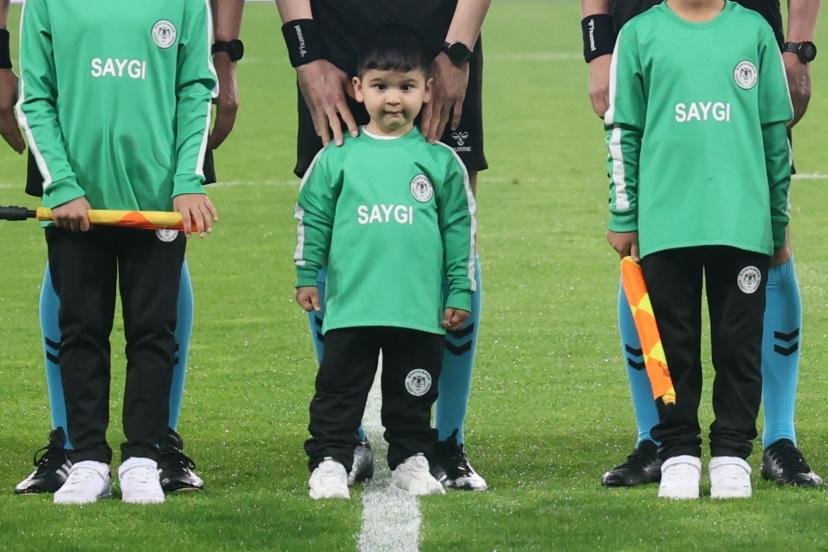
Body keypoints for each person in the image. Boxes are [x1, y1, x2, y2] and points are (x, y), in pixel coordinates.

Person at [5, 0, 245, 496]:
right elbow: (36, 98)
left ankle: (143, 458)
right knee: (80, 331)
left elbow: (195, 90)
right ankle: (86, 460)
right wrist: (61, 184)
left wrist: (186, 180)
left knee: (154, 333)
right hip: (77, 204)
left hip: (157, 206)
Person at [581, 0, 823, 488]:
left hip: (741, 211)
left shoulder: (753, 32)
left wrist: (798, 45)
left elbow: (774, 138)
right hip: (668, 213)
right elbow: (623, 133)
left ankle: (762, 442)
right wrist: (597, 44)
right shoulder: (640, 35)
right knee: (670, 330)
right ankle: (667, 445)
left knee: (740, 336)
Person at [276, 0, 491, 493]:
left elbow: (459, 224)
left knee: (448, 221)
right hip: (334, 36)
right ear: (361, 88)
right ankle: (340, 445)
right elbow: (315, 216)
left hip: (441, 34)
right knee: (337, 209)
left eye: (404, 91)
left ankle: (441, 443)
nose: (392, 99)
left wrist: (458, 50)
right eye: (380, 90)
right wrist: (306, 53)